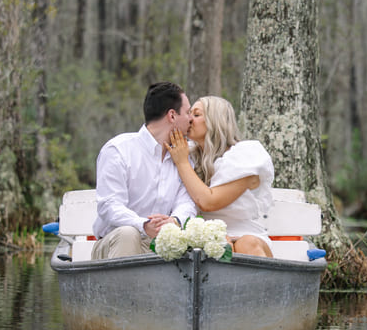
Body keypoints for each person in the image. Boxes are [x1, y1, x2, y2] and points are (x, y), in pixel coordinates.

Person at [91, 81, 197, 259]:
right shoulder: (118, 150)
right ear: (172, 115)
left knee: (189, 244)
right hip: (115, 244)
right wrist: (144, 225)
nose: (191, 119)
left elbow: (187, 203)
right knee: (128, 234)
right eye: (187, 113)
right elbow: (110, 205)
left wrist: (175, 221)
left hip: (161, 246)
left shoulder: (183, 158)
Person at [165, 96, 275, 257]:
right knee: (220, 243)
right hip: (207, 235)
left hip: (247, 233)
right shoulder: (189, 154)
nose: (189, 119)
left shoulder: (243, 156)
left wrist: (182, 163)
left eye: (196, 115)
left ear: (215, 120)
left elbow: (209, 202)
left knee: (246, 243)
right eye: (189, 114)